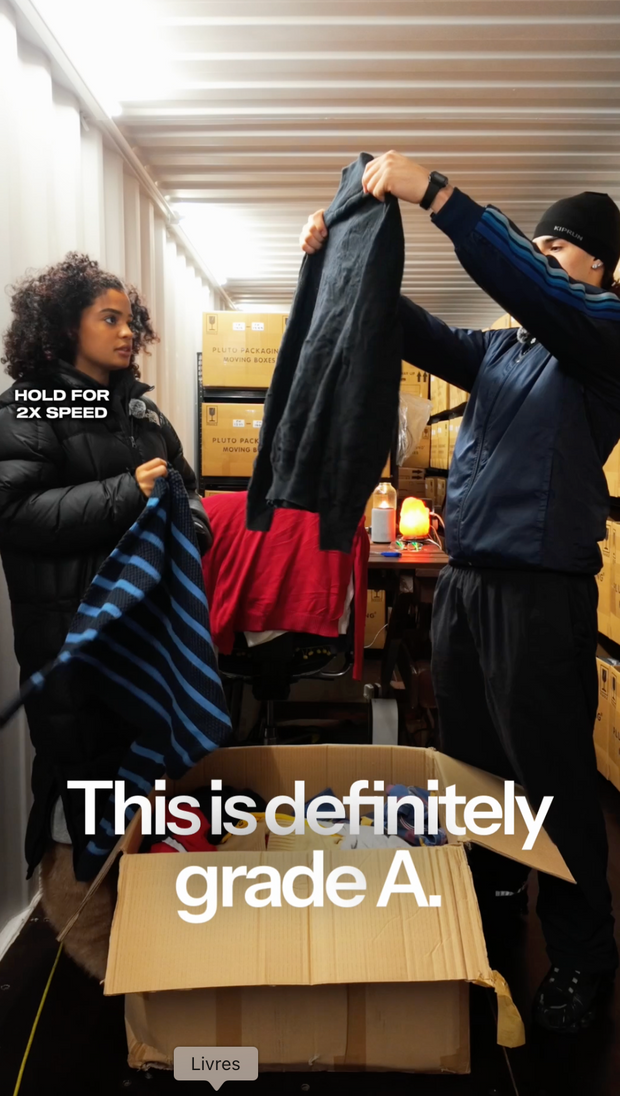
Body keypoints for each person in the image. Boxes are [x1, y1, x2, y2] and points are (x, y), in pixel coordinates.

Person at [300, 153, 620, 1034]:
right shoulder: (502, 353)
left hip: (539, 591)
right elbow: (410, 326)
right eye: (539, 244)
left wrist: (439, 196)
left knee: (552, 776)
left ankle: (585, 954)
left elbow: (532, 287)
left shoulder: (602, 337)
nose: (543, 257)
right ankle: (493, 897)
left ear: (603, 268)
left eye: (560, 247)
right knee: (475, 764)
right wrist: (337, 260)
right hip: (467, 583)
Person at [0, 252, 212, 882]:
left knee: (144, 780)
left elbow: (187, 488)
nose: (127, 333)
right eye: (109, 319)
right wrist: (129, 493)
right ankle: (86, 924)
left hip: (144, 635)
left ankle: (138, 915)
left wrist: (191, 532)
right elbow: (13, 512)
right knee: (82, 784)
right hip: (72, 638)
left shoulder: (143, 413)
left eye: (130, 320)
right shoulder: (29, 411)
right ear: (68, 326)